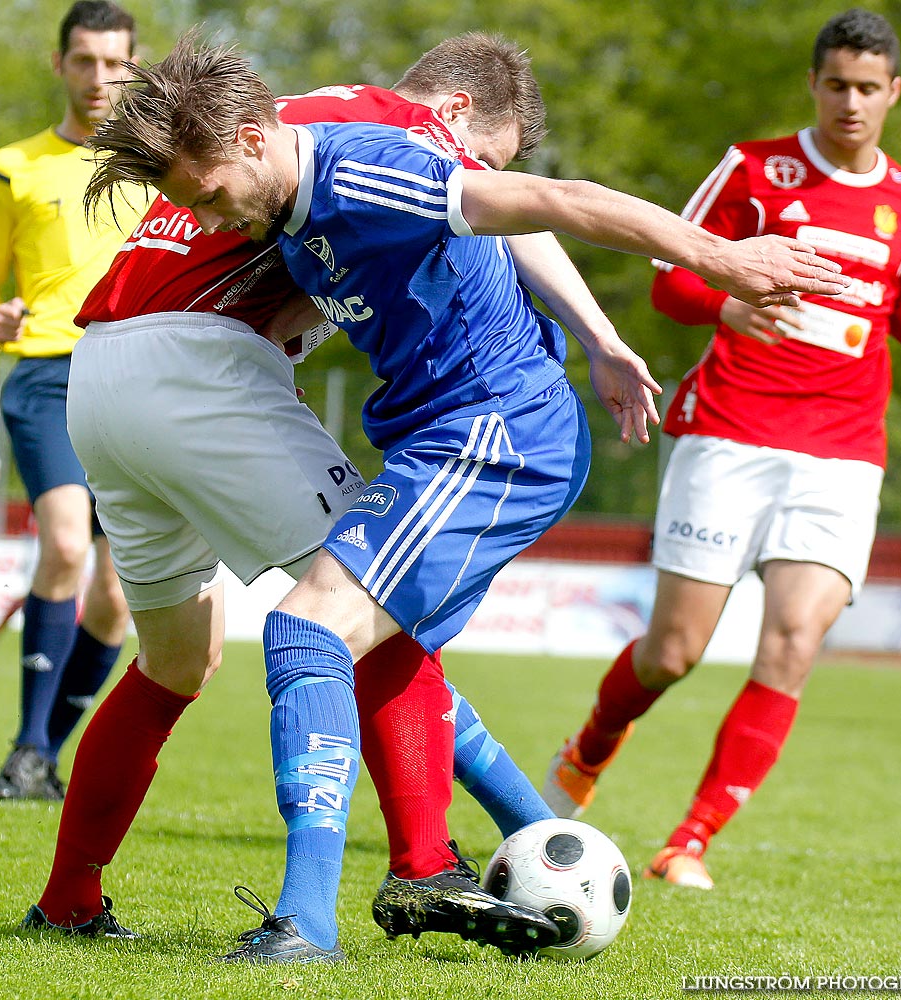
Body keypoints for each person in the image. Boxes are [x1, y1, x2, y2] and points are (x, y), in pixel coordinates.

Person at [77, 34, 847, 962]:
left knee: (306, 628)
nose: (207, 215)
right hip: (437, 437)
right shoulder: (279, 198)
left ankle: (310, 922)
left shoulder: (368, 168)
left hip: (496, 434)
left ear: (250, 136)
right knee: (366, 647)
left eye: (205, 194)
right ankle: (529, 844)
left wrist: (714, 259)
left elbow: (556, 202)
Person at [25, 33, 617, 956]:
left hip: (99, 374)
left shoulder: (269, 130)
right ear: (455, 115)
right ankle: (432, 860)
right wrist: (599, 336)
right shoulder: (391, 129)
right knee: (361, 612)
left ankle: (67, 900)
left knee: (176, 663)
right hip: (200, 364)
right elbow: (518, 213)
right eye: (484, 153)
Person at [542, 8, 901, 891]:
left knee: (791, 645)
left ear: (892, 93)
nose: (850, 102)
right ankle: (588, 752)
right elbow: (671, 281)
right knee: (672, 653)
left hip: (845, 451)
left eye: (867, 88)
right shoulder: (754, 168)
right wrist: (723, 303)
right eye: (835, 84)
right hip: (732, 432)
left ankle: (688, 842)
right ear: (814, 84)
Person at [0, 1, 142, 800]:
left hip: (139, 381)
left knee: (117, 597)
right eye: (83, 61)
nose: (99, 78)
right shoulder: (10, 167)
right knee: (64, 546)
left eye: (114, 63)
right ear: (59, 64)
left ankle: (39, 757)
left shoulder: (161, 166)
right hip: (45, 373)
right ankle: (28, 745)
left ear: (134, 67)